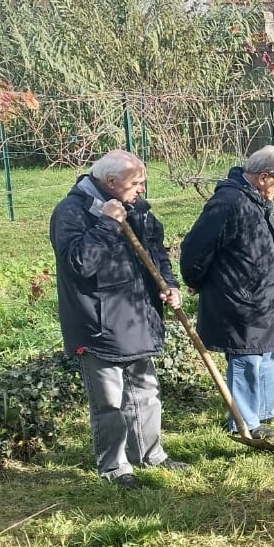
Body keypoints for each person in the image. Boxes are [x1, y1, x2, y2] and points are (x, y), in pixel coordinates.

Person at [50, 150, 191, 489]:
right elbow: (79, 265)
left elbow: (157, 253)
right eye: (136, 183)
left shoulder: (137, 209)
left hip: (137, 316)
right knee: (109, 401)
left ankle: (150, 454)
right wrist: (107, 224)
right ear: (110, 182)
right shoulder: (72, 212)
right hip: (97, 321)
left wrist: (169, 285)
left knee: (146, 390)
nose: (141, 189)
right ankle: (115, 467)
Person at [179, 146, 274, 441]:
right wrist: (194, 278)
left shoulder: (256, 199)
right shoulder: (229, 202)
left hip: (263, 295)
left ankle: (265, 411)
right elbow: (196, 246)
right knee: (246, 357)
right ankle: (245, 422)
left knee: (266, 352)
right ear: (263, 177)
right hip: (239, 298)